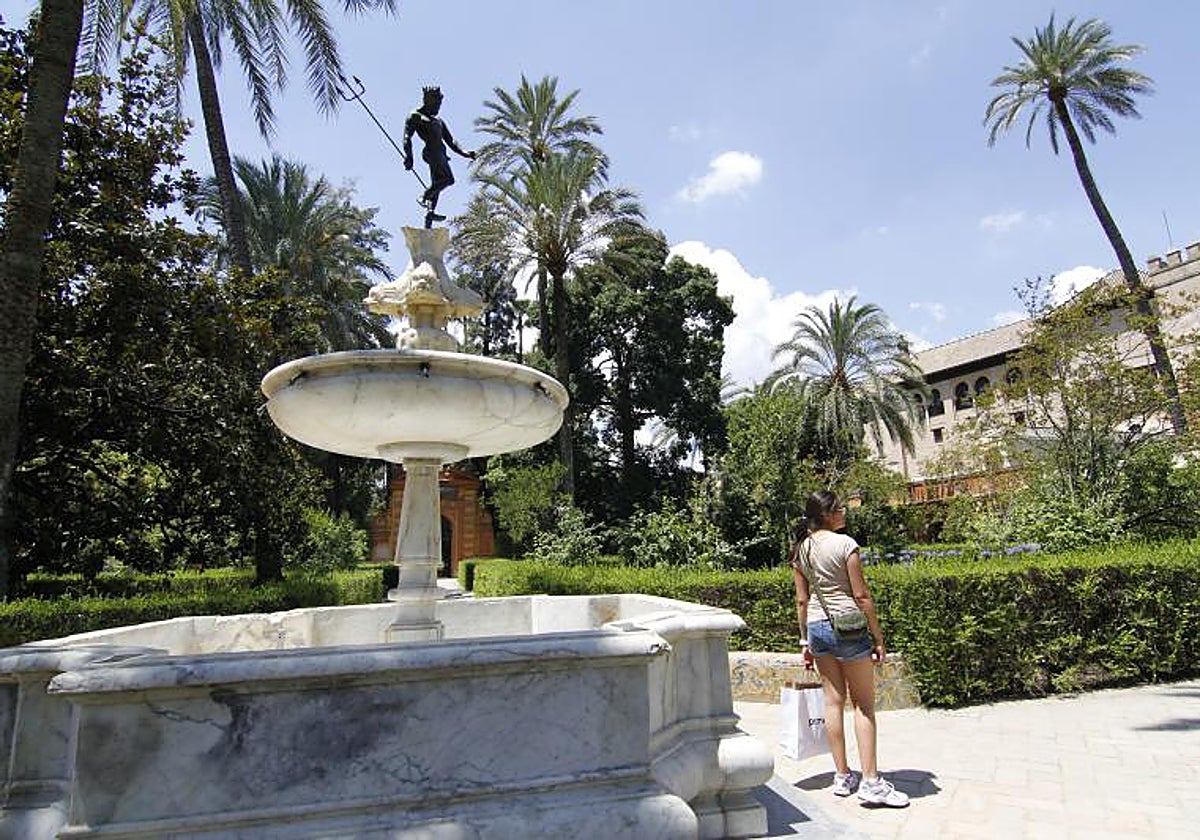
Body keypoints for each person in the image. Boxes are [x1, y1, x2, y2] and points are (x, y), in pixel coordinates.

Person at [790, 490, 909, 808]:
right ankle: (871, 782)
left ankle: (842, 776)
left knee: (832, 703)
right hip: (850, 627)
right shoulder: (846, 545)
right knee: (863, 706)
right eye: (839, 508)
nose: (844, 511)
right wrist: (879, 637)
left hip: (816, 628)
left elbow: (802, 600)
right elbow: (862, 596)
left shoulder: (800, 549)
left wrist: (804, 641)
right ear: (827, 513)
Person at [402, 86, 476, 228]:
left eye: (439, 104)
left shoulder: (439, 121)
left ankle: (430, 214)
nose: (438, 107)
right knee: (448, 179)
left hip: (441, 153)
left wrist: (465, 153)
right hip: (432, 152)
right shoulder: (416, 116)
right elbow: (407, 137)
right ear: (427, 100)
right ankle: (424, 196)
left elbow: (451, 141)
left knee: (437, 183)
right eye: (436, 103)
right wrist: (409, 156)